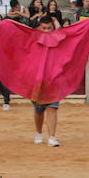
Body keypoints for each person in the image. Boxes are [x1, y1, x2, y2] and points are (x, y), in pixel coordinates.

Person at [28, 15, 64, 147]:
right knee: (39, 110)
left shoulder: (58, 38)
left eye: (49, 28)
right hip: (37, 79)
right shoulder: (33, 38)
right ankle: (38, 133)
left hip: (53, 79)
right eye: (44, 28)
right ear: (39, 28)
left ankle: (52, 137)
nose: (47, 31)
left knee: (52, 108)